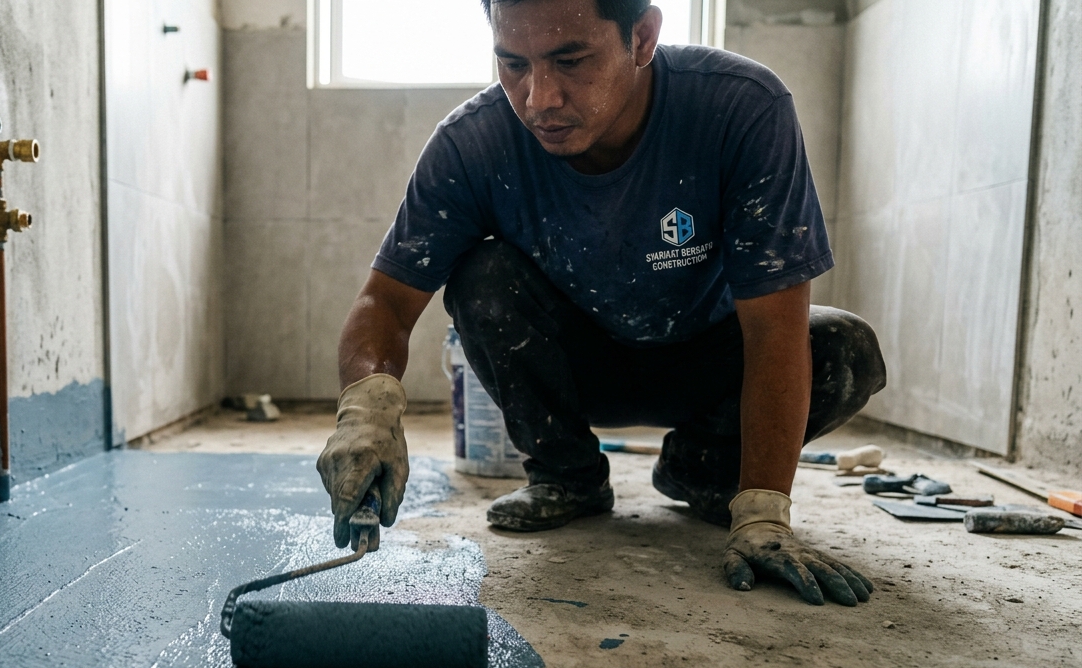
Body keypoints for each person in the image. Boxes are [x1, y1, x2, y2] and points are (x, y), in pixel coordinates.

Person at [316, 0, 887, 607]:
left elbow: (774, 330)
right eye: (513, 64)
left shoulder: (741, 108)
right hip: (578, 366)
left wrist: (765, 514)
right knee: (481, 276)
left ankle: (707, 469)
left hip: (713, 363)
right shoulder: (472, 144)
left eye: (571, 61)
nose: (539, 99)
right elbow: (385, 301)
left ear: (642, 38)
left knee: (844, 348)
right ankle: (568, 477)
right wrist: (365, 412)